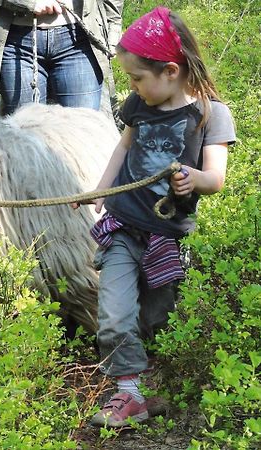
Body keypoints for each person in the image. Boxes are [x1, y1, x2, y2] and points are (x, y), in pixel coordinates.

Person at [73, 6, 236, 427]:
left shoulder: (210, 114)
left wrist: (192, 179)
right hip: (125, 227)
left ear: (169, 71)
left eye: (137, 78)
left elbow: (216, 178)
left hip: (166, 237)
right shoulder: (138, 105)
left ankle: (149, 382)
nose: (132, 86)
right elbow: (124, 148)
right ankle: (128, 393)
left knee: (156, 318)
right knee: (113, 313)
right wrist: (101, 189)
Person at [0, 0, 124, 115]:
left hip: (79, 41)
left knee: (81, 138)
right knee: (26, 140)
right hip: (16, 44)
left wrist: (113, 27)